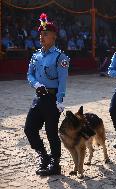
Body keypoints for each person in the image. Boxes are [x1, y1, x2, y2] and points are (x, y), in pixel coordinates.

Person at [24, 13, 69, 176]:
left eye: (45, 34)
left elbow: (63, 80)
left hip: (52, 99)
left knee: (51, 132)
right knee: (29, 129)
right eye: (40, 34)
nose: (41, 37)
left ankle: (55, 164)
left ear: (54, 36)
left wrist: (60, 100)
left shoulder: (60, 57)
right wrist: (36, 84)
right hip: (39, 97)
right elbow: (29, 74)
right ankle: (43, 155)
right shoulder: (36, 55)